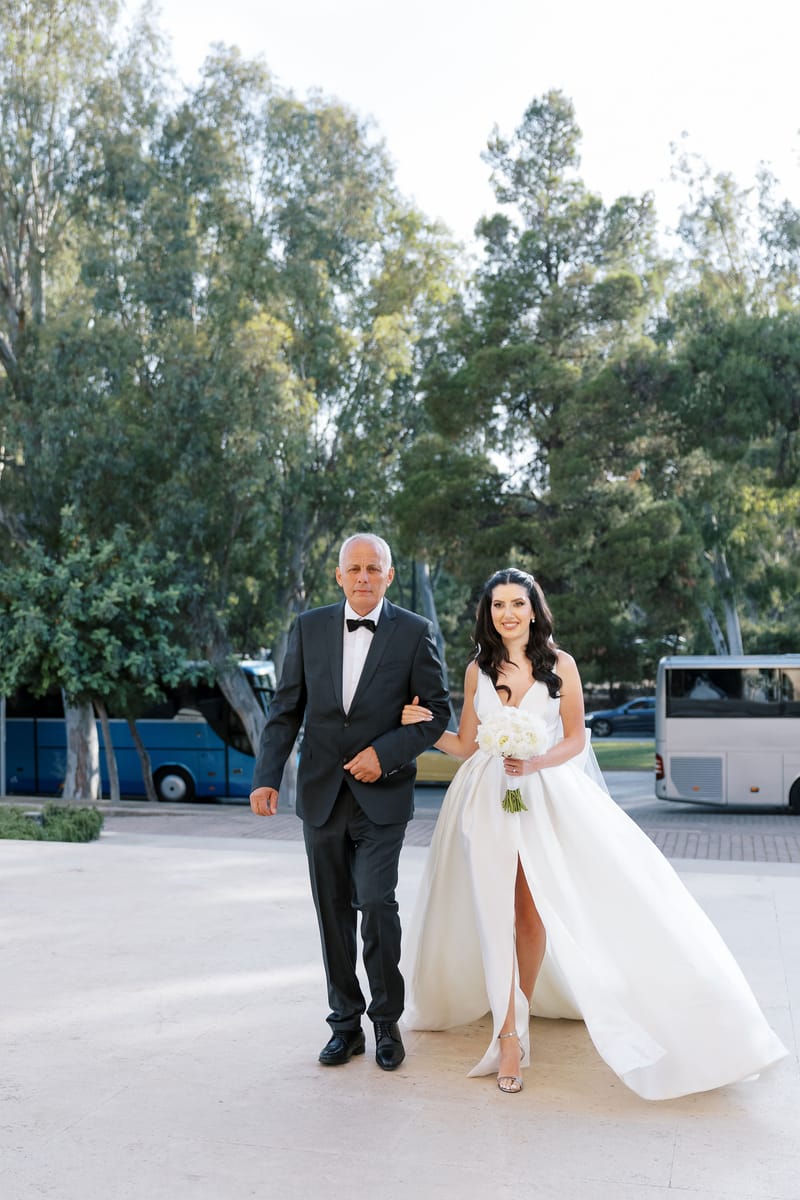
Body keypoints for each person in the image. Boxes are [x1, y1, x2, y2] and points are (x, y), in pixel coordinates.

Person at [400, 567, 787, 1099]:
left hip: (542, 795)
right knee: (495, 913)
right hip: (484, 802)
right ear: (487, 614)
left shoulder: (561, 665)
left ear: (534, 609)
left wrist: (532, 761)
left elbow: (576, 740)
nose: (507, 613)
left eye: (517, 603)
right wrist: (422, 728)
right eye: (497, 606)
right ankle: (507, 1036)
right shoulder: (477, 670)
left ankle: (523, 1018)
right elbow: (468, 743)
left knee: (530, 914)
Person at [250, 533, 450, 1072]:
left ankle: (387, 1024)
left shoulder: (414, 632)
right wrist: (267, 776)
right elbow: (286, 709)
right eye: (354, 568)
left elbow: (436, 712)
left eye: (374, 568)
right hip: (320, 795)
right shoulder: (309, 627)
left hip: (381, 798)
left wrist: (383, 755)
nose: (363, 576)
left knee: (376, 903)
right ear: (338, 576)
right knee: (331, 911)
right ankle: (345, 1025)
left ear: (388, 576)